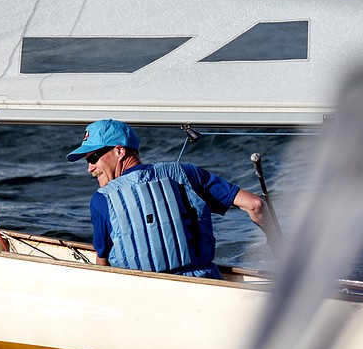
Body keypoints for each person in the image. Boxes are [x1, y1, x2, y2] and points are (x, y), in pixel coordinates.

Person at [67, 118, 276, 279]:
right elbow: (255, 205)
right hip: (206, 286)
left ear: (119, 151)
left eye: (93, 158)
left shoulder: (101, 200)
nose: (89, 168)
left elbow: (102, 268)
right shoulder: (186, 174)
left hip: (149, 297)